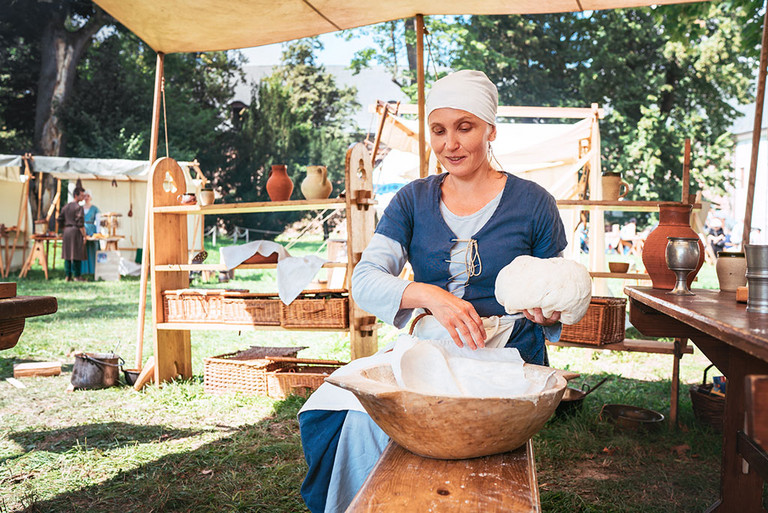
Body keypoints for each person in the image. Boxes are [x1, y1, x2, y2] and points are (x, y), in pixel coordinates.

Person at [297, 70, 567, 513]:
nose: (450, 144)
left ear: (490, 130)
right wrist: (430, 296)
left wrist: (548, 314)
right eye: (439, 131)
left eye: (465, 128)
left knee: (437, 424)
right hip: (431, 348)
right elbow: (365, 281)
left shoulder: (533, 202)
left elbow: (556, 293)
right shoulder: (412, 200)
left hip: (506, 358)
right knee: (339, 410)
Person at [57, 186, 86, 282]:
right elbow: (80, 223)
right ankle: (77, 276)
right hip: (75, 231)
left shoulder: (65, 207)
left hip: (67, 232)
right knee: (77, 253)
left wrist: (64, 228)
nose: (83, 197)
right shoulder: (78, 207)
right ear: (76, 195)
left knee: (67, 254)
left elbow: (59, 219)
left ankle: (68, 276)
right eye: (81, 195)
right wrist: (84, 235)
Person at [80, 191, 101, 275]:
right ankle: (83, 270)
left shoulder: (95, 208)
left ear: (91, 197)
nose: (86, 198)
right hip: (82, 229)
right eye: (85, 196)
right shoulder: (80, 208)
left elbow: (98, 221)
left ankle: (93, 270)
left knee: (92, 249)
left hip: (92, 230)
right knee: (83, 249)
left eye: (88, 196)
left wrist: (98, 232)